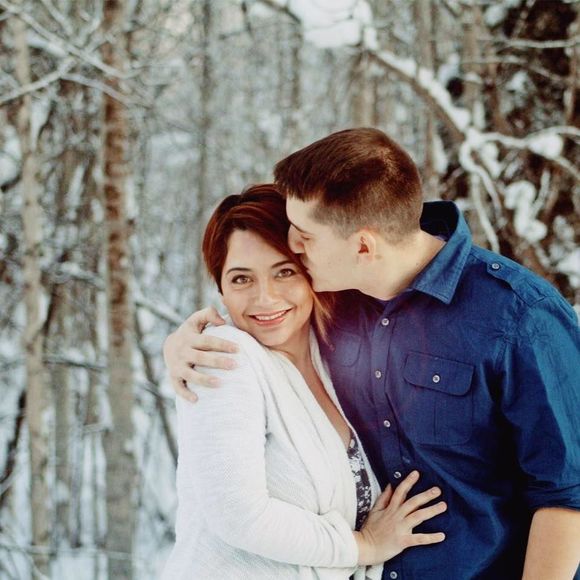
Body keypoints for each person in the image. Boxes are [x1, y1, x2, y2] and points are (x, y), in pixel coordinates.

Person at [164, 128, 580, 580]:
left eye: (304, 236)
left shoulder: (520, 317)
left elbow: (566, 494)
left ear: (363, 245)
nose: (293, 246)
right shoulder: (337, 300)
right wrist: (184, 343)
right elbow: (266, 313)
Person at [161, 184, 447, 580]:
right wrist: (363, 546)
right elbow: (237, 513)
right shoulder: (224, 358)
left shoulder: (334, 355)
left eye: (284, 271)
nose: (265, 298)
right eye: (241, 279)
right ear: (221, 288)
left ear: (312, 271)